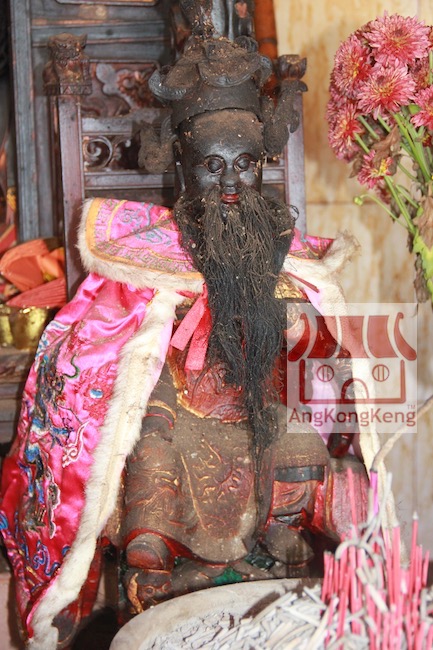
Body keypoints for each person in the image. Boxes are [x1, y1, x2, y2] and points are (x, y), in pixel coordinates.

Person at [0, 5, 368, 649]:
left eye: (245, 164)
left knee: (300, 446)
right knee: (151, 456)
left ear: (262, 164)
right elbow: (105, 338)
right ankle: (153, 569)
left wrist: (307, 342)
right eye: (212, 166)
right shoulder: (147, 254)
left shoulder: (280, 250)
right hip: (171, 403)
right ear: (182, 166)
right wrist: (152, 379)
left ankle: (278, 541)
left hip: (258, 401)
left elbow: (321, 342)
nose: (230, 182)